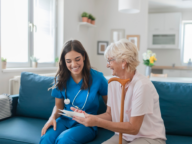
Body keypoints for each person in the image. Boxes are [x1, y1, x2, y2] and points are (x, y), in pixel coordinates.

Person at [72, 39, 167, 144]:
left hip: (149, 137)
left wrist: (97, 122)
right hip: (125, 135)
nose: (107, 65)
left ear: (123, 61)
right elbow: (110, 114)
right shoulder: (113, 83)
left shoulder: (142, 85)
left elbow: (133, 128)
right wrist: (88, 117)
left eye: (110, 60)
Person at [39, 40, 108, 144]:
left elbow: (111, 108)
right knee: (46, 139)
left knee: (64, 140)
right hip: (64, 120)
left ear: (84, 56)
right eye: (69, 61)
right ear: (64, 61)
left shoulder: (98, 78)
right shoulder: (60, 79)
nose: (74, 64)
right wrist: (52, 118)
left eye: (77, 59)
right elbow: (58, 106)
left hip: (86, 124)